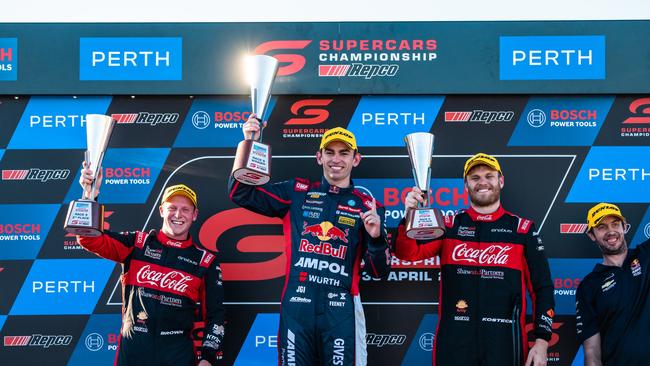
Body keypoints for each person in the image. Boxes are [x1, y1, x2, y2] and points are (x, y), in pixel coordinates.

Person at [229, 116, 391, 366]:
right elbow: (241, 193)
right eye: (330, 152)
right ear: (319, 157)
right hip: (297, 310)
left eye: (344, 153)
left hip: (341, 314)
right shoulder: (297, 192)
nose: (336, 159)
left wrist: (376, 238)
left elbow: (379, 271)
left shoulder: (368, 206)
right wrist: (250, 142)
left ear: (355, 159)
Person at [394, 153, 554, 366]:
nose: (482, 182)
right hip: (455, 342)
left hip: (505, 342)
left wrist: (542, 341)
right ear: (466, 185)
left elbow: (542, 288)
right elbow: (408, 254)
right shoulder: (449, 225)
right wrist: (409, 216)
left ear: (501, 181)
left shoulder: (522, 230)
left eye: (489, 175)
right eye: (475, 178)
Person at [76, 162, 225, 366]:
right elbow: (90, 239)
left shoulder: (205, 260)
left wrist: (207, 358)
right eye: (172, 208)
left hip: (177, 355)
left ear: (194, 215)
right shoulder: (137, 244)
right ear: (162, 210)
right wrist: (89, 196)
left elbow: (216, 316)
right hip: (134, 351)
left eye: (185, 209)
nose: (178, 215)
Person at [576, 203, 650, 366]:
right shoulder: (588, 286)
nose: (611, 231)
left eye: (615, 224)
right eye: (602, 227)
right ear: (591, 235)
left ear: (624, 227)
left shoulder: (646, 255)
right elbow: (592, 351)